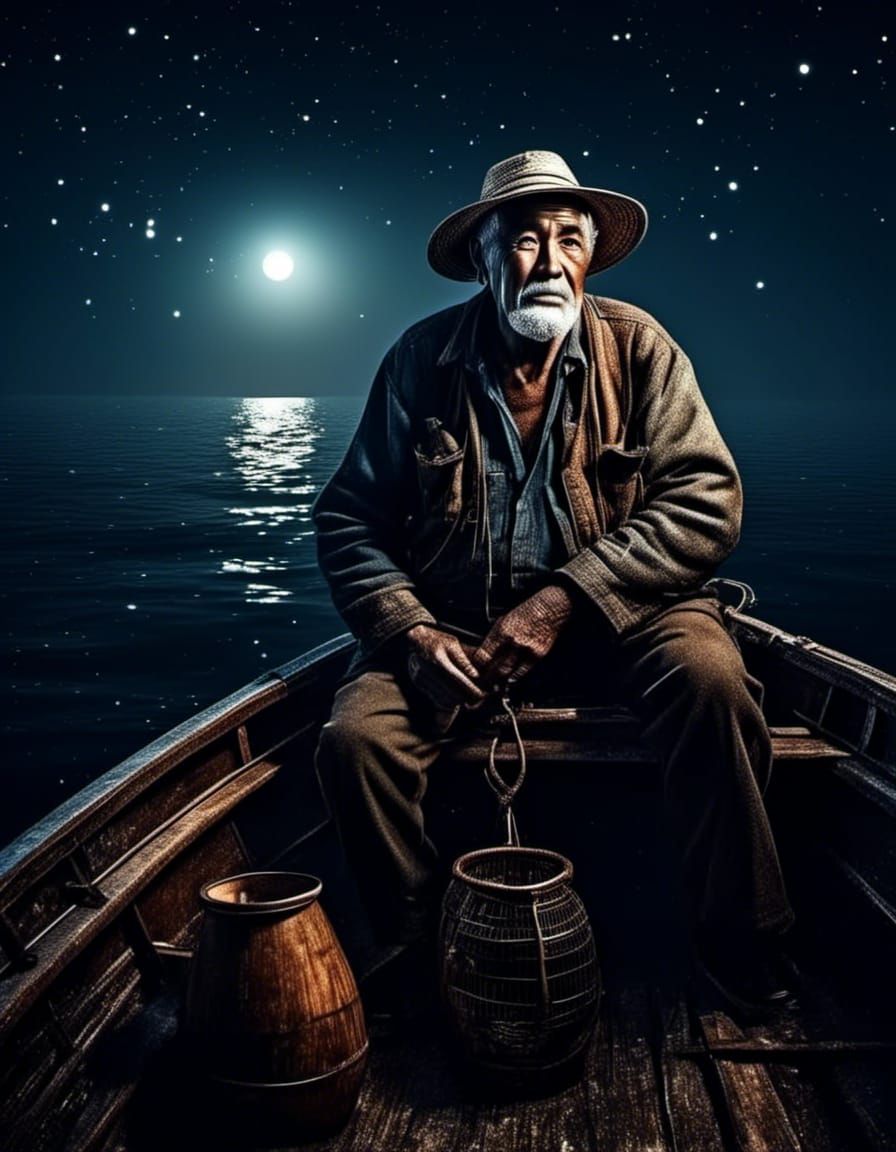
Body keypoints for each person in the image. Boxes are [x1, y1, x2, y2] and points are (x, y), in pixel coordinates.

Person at [312, 150, 794, 1017]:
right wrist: (412, 633)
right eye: (524, 240)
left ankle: (741, 943)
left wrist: (564, 598)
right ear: (482, 257)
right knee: (355, 743)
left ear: (590, 256)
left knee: (714, 683)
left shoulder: (639, 347)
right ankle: (414, 949)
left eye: (569, 239)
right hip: (455, 629)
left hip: (627, 616)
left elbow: (707, 501)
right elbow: (349, 518)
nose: (549, 261)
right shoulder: (421, 360)